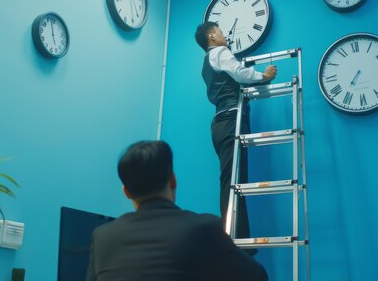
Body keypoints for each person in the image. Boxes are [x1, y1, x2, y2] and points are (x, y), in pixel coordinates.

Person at [86, 140, 268, 281]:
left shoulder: (102, 237)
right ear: (173, 181)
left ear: (126, 192)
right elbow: (257, 276)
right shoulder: (205, 228)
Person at [194, 21, 277, 241]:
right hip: (231, 119)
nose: (225, 36)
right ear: (212, 36)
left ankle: (239, 238)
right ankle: (231, 241)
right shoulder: (220, 52)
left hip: (222, 121)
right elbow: (239, 73)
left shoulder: (207, 62)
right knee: (233, 181)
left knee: (233, 181)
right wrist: (264, 76)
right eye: (221, 32)